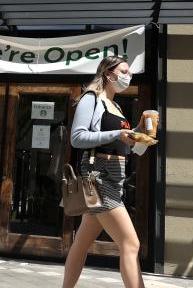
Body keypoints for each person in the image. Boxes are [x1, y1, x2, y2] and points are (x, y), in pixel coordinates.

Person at [62, 56, 144, 288]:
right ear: (109, 74)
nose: (129, 76)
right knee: (130, 243)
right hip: (99, 175)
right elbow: (77, 138)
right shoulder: (91, 98)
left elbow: (123, 142)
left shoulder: (116, 106)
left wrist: (139, 134)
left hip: (116, 176)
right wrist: (116, 135)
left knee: (82, 243)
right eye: (124, 71)